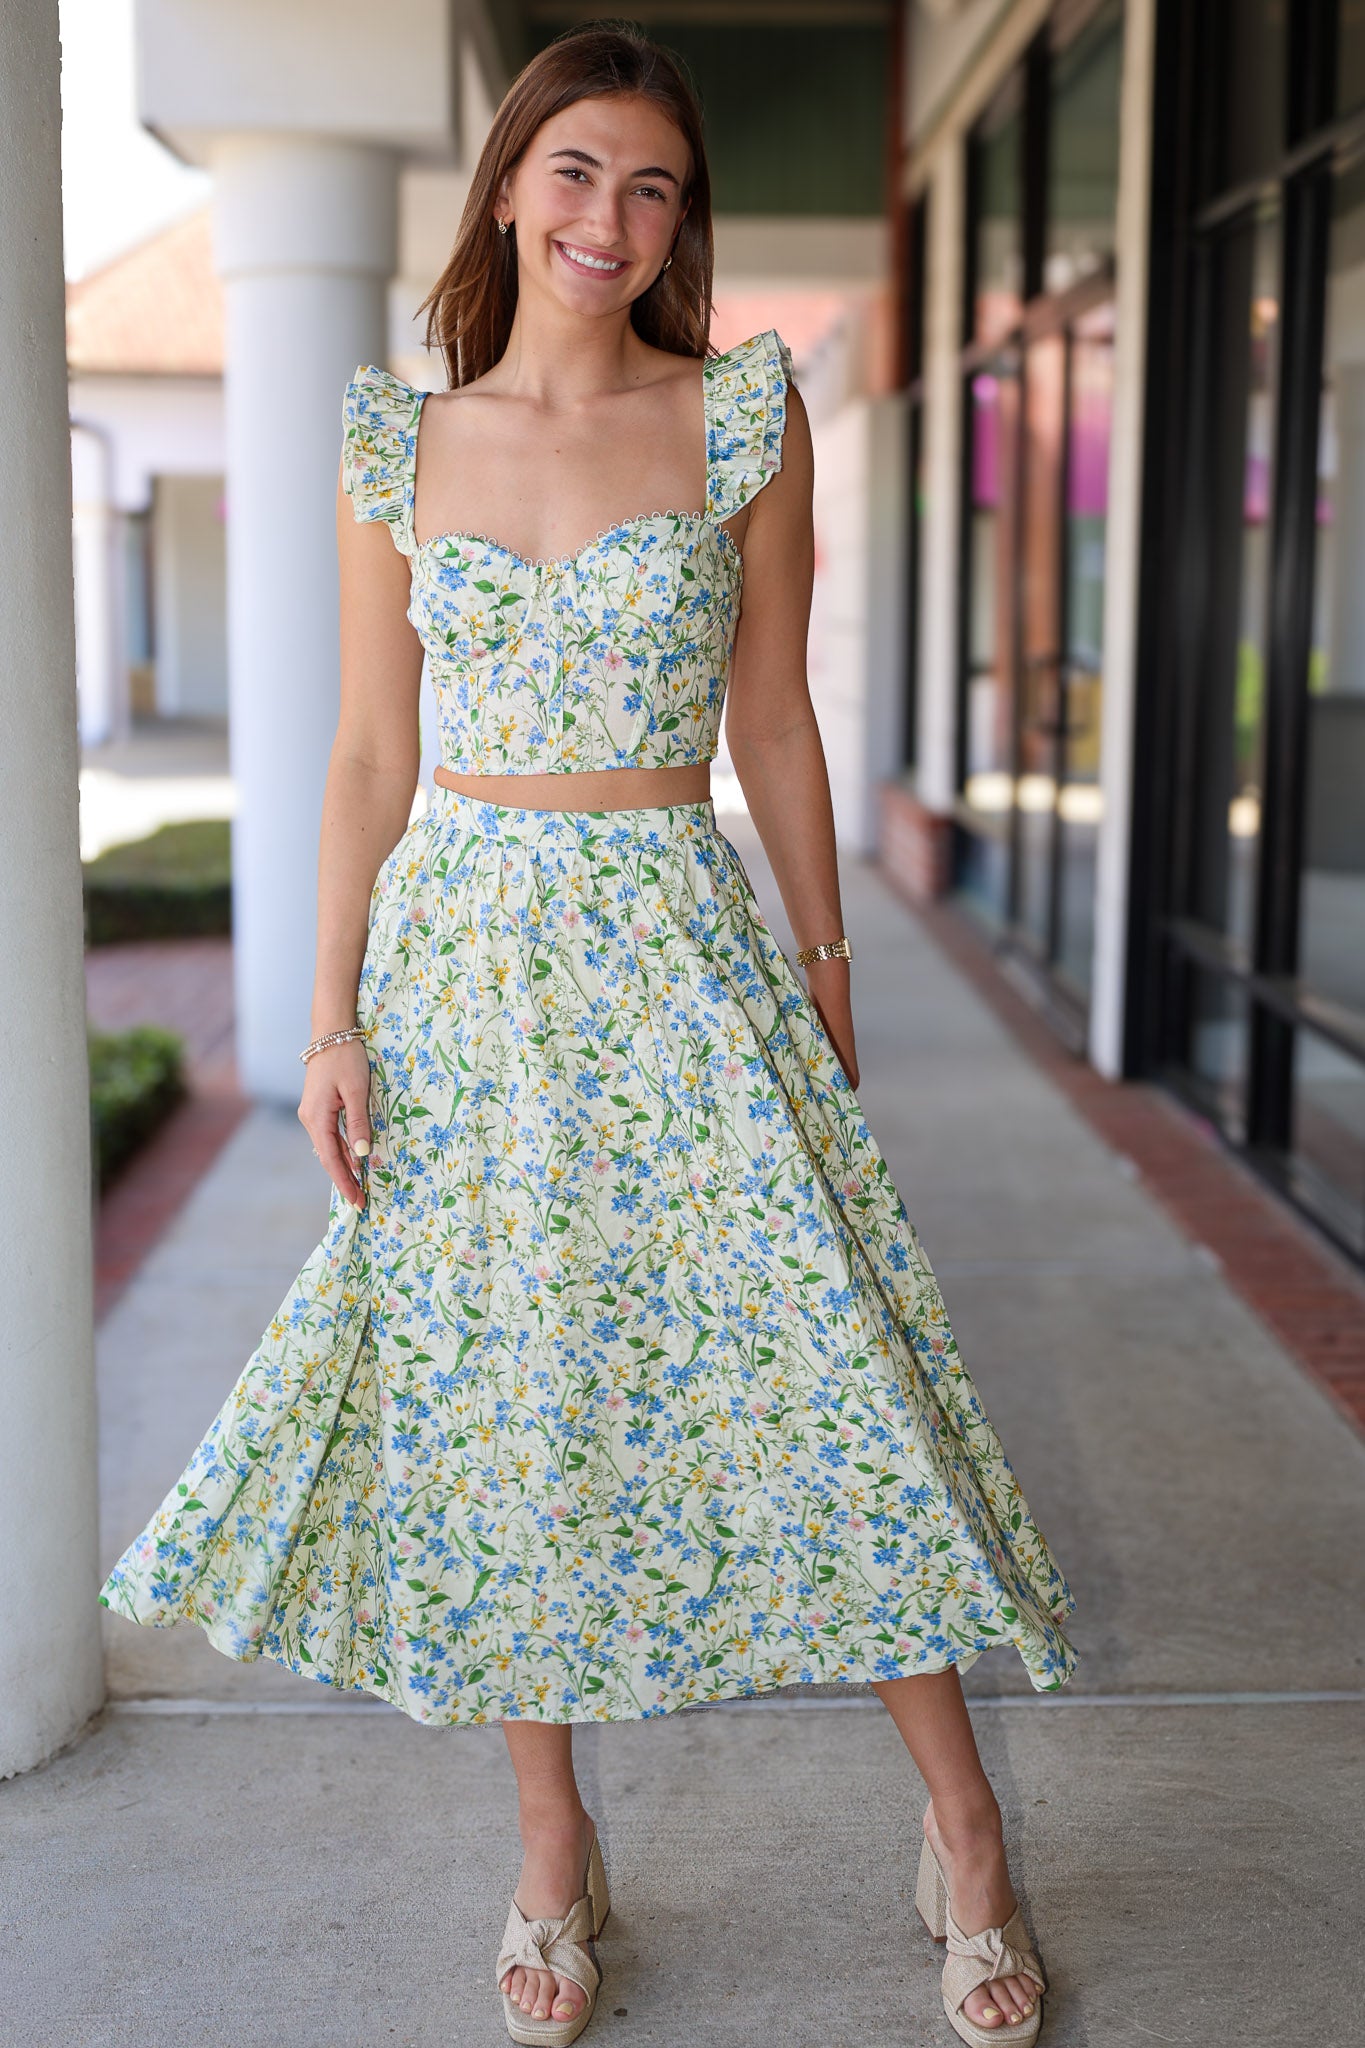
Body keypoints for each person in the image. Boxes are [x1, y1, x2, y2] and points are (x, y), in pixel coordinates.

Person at [99, 21, 1077, 2047]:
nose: (607, 219)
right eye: (572, 173)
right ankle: (553, 1852)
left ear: (679, 219)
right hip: (470, 978)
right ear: (508, 187)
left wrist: (818, 967)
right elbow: (371, 751)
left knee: (822, 1375)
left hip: (681, 953)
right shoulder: (398, 440)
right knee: (508, 1403)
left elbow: (782, 721)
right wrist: (329, 1014)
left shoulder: (737, 416)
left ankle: (962, 1833)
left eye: (649, 186)